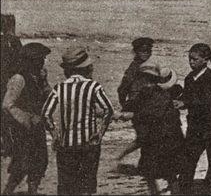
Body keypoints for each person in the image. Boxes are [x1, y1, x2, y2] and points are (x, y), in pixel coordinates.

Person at [42, 45, 115, 196]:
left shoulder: (59, 88)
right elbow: (109, 110)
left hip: (66, 145)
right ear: (85, 68)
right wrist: (100, 133)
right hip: (88, 144)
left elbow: (45, 114)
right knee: (86, 187)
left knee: (67, 187)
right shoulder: (93, 86)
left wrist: (54, 133)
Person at [2, 43, 50, 195]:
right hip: (21, 129)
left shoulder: (38, 76)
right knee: (21, 165)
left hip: (37, 127)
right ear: (30, 61)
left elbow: (48, 96)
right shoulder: (18, 79)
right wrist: (26, 119)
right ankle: (7, 192)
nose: (43, 62)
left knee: (40, 162)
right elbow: (8, 104)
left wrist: (44, 82)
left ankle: (32, 191)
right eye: (40, 59)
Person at [130, 62, 184, 195]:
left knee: (166, 175)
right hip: (161, 141)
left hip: (163, 142)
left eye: (150, 80)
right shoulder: (151, 94)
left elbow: (147, 115)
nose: (147, 83)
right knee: (157, 175)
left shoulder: (160, 96)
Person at [181, 43, 211, 195]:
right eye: (189, 58)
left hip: (210, 126)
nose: (191, 62)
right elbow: (187, 98)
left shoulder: (210, 78)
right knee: (188, 160)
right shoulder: (189, 78)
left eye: (194, 59)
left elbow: (208, 102)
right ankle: (184, 191)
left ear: (205, 60)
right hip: (194, 126)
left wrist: (185, 102)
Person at [115, 36, 154, 165]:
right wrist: (126, 105)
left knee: (147, 136)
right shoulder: (134, 68)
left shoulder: (149, 66)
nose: (146, 53)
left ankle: (143, 164)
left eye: (148, 50)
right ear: (136, 51)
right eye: (143, 50)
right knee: (144, 137)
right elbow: (122, 89)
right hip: (138, 106)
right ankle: (119, 157)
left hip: (148, 105)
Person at [0, 13, 23, 162]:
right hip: (10, 80)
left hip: (4, 79)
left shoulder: (7, 41)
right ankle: (12, 144)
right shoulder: (14, 41)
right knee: (10, 112)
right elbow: (19, 61)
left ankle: (7, 143)